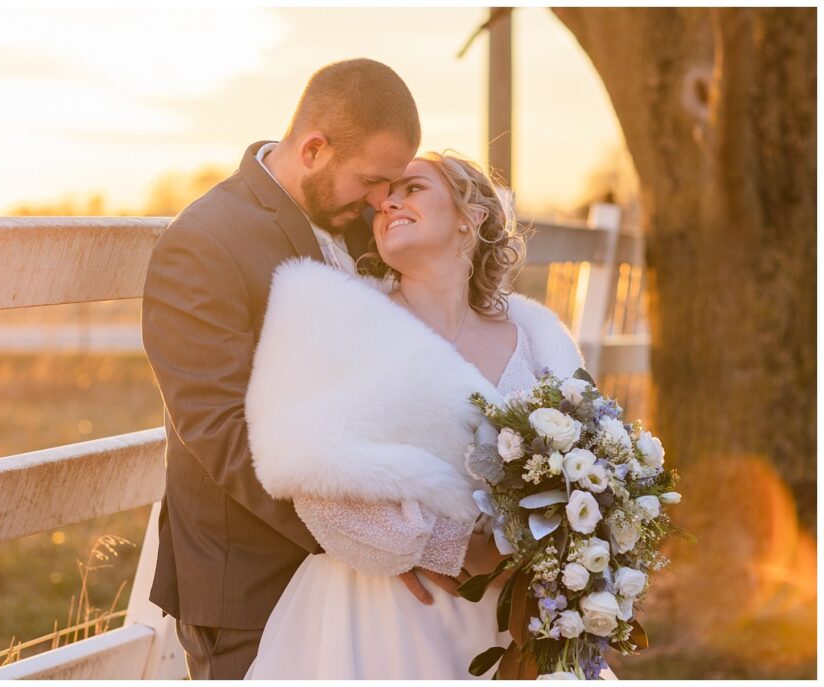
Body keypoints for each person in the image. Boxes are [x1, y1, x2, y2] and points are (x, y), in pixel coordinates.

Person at [141, 58, 474, 680]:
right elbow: (223, 434)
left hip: (370, 588)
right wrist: (378, 541)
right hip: (252, 580)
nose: (384, 201)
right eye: (374, 179)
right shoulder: (205, 242)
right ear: (315, 148)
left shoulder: (356, 227)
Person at [242, 153, 617, 679]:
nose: (388, 202)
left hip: (516, 617)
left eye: (412, 188)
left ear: (473, 215)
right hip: (385, 614)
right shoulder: (343, 322)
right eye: (379, 200)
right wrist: (455, 547)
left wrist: (557, 562)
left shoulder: (538, 337)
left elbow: (591, 472)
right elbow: (313, 480)